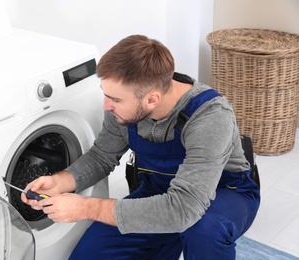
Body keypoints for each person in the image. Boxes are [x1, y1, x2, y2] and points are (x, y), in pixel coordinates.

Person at [21, 35, 260, 259]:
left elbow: (183, 209)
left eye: (115, 100)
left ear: (152, 99)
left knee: (204, 229)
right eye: (106, 95)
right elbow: (101, 157)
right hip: (158, 192)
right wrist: (61, 181)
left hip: (223, 195)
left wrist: (86, 207)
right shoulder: (124, 111)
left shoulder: (210, 117)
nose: (106, 106)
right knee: (90, 253)